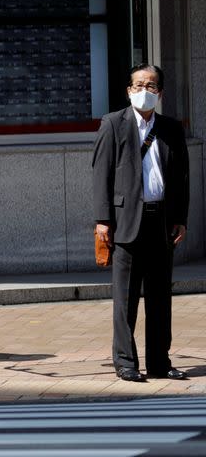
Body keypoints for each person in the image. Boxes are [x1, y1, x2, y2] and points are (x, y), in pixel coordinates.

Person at [92, 64, 189, 382]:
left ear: (160, 93)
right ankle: (125, 362)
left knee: (161, 298)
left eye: (150, 86)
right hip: (125, 223)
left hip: (161, 222)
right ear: (128, 90)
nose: (143, 91)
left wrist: (180, 218)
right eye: (137, 85)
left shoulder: (171, 129)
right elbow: (101, 175)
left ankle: (159, 362)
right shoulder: (113, 124)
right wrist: (103, 220)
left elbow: (182, 177)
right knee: (126, 299)